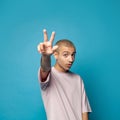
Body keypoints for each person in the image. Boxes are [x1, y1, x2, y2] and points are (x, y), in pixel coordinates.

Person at [37, 29, 92, 120]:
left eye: (73, 55)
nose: (71, 59)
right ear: (55, 55)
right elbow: (45, 69)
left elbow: (84, 111)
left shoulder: (77, 79)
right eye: (65, 55)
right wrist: (45, 56)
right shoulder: (49, 75)